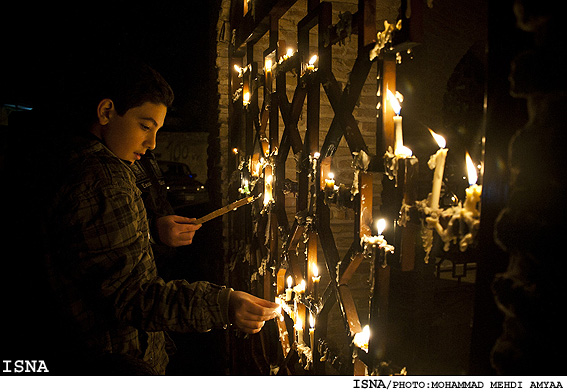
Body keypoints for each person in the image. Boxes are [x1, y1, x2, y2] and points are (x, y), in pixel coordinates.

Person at [42, 57, 279, 375]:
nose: (151, 144)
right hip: (113, 361)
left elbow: (93, 252)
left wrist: (152, 231)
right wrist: (223, 304)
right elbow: (129, 295)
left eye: (157, 131)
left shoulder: (78, 158)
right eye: (144, 126)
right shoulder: (102, 176)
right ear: (107, 112)